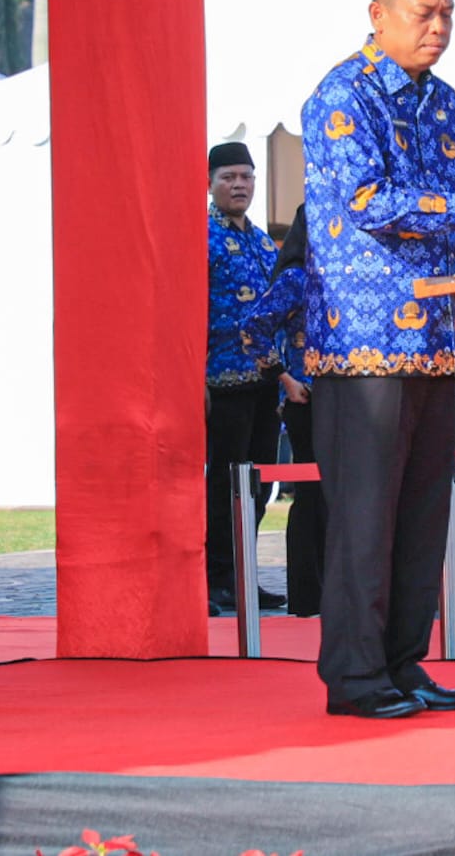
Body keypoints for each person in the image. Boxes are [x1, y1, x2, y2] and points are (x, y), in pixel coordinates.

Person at [302, 0, 455, 719]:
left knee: (420, 517)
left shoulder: (443, 103)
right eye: (422, 13)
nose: (438, 28)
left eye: (447, 14)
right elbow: (369, 201)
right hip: (362, 343)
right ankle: (355, 676)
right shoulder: (343, 95)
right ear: (378, 14)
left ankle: (403, 664)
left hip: (437, 341)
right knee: (364, 518)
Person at [204, 142, 286, 613]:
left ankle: (243, 576)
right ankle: (216, 577)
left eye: (247, 176)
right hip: (221, 380)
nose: (240, 185)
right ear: (210, 183)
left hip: (265, 380)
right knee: (224, 484)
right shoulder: (202, 236)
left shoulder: (261, 241)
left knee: (260, 484)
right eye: (229, 177)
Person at [240, 204, 326, 617]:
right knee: (312, 496)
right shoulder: (295, 277)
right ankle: (308, 595)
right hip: (306, 398)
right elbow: (252, 328)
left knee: (340, 497)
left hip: (348, 399)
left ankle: (338, 591)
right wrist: (284, 379)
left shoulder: (345, 275)